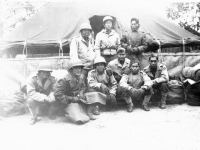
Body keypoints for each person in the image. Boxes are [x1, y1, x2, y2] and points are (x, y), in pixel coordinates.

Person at [54, 58, 92, 124]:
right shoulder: (64, 79)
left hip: (79, 98)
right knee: (79, 119)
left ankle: (88, 111)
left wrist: (81, 92)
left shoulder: (81, 77)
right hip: (69, 101)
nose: (78, 70)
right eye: (76, 68)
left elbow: (84, 87)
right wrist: (71, 99)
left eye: (80, 68)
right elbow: (58, 94)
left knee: (95, 95)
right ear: (71, 70)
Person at [26, 60, 56, 125]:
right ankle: (34, 117)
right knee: (30, 100)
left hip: (48, 98)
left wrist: (52, 94)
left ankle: (50, 112)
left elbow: (55, 89)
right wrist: (44, 97)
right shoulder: (32, 78)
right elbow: (31, 92)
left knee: (56, 97)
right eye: (43, 72)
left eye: (48, 72)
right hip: (38, 98)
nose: (46, 74)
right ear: (39, 71)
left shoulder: (52, 79)